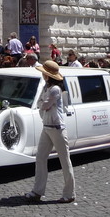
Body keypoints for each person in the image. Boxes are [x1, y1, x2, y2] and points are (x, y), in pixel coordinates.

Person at [24, 60, 75, 204]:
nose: (42, 75)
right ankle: (37, 191)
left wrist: (43, 104)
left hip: (57, 128)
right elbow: (40, 103)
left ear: (48, 75)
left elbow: (44, 104)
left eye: (44, 73)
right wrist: (42, 104)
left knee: (64, 160)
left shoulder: (55, 89)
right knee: (40, 158)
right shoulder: (47, 87)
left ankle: (69, 193)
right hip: (47, 126)